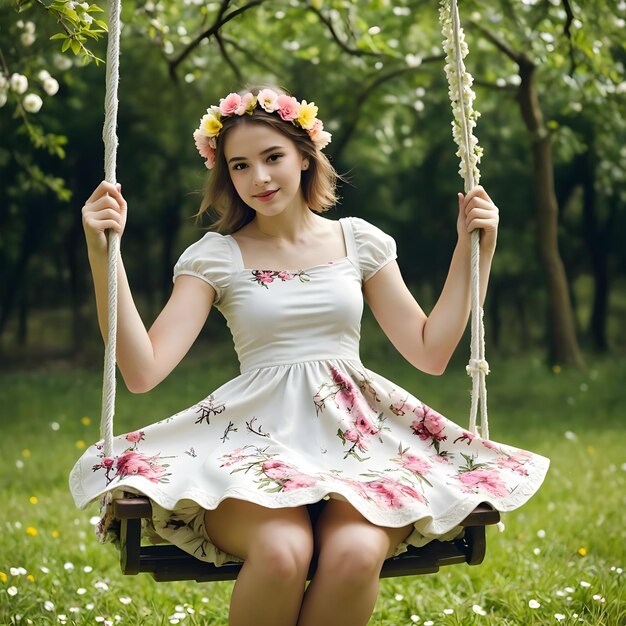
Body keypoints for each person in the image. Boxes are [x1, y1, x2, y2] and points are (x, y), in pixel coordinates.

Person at [70, 86, 549, 626]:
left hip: (360, 439)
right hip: (258, 443)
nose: (260, 179)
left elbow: (430, 350)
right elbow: (143, 369)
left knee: (353, 556)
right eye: (241, 166)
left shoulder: (358, 242)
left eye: (272, 158)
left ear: (304, 155)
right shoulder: (217, 256)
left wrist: (473, 249)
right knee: (281, 554)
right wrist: (101, 252)